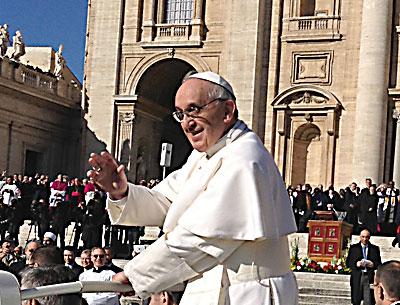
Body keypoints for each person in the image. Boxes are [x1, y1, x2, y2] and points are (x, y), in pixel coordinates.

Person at [88, 71, 298, 304]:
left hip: (248, 294)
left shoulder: (244, 158)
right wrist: (122, 192)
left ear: (227, 111)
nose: (187, 123)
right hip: (209, 287)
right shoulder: (205, 156)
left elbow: (199, 239)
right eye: (180, 114)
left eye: (194, 110)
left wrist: (137, 275)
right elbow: (167, 202)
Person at [346, 229, 382, 305]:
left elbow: (379, 264)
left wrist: (373, 264)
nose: (365, 239)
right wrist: (356, 264)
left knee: (368, 300)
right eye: (363, 237)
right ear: (360, 237)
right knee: (356, 300)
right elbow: (348, 263)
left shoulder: (375, 249)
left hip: (369, 276)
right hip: (357, 275)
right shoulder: (353, 248)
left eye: (367, 237)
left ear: (369, 237)